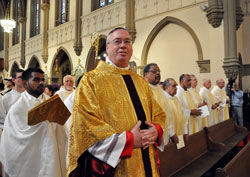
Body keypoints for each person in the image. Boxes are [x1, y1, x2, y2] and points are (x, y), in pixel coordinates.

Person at [67, 27, 166, 177]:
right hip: (116, 165)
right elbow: (87, 125)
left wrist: (156, 130)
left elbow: (158, 113)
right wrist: (128, 140)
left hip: (146, 158)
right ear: (107, 47)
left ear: (131, 48)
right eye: (117, 41)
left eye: (127, 42)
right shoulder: (91, 80)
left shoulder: (141, 82)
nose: (123, 45)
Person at [0, 68, 67, 177]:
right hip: (29, 161)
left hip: (52, 155)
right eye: (36, 80)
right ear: (25, 83)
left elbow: (62, 130)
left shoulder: (52, 102)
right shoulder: (17, 109)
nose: (41, 83)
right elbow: (13, 141)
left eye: (43, 79)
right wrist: (45, 126)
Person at [143, 63, 170, 144]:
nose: (157, 73)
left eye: (158, 71)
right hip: (151, 134)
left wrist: (171, 132)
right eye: (154, 71)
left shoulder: (159, 90)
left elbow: (168, 112)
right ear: (145, 74)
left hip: (164, 131)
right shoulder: (143, 89)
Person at [163, 78, 188, 143]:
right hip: (170, 136)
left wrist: (185, 131)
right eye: (173, 86)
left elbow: (183, 115)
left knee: (180, 152)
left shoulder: (176, 99)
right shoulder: (163, 100)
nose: (176, 88)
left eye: (176, 86)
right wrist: (172, 134)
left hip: (180, 132)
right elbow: (165, 119)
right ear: (166, 87)